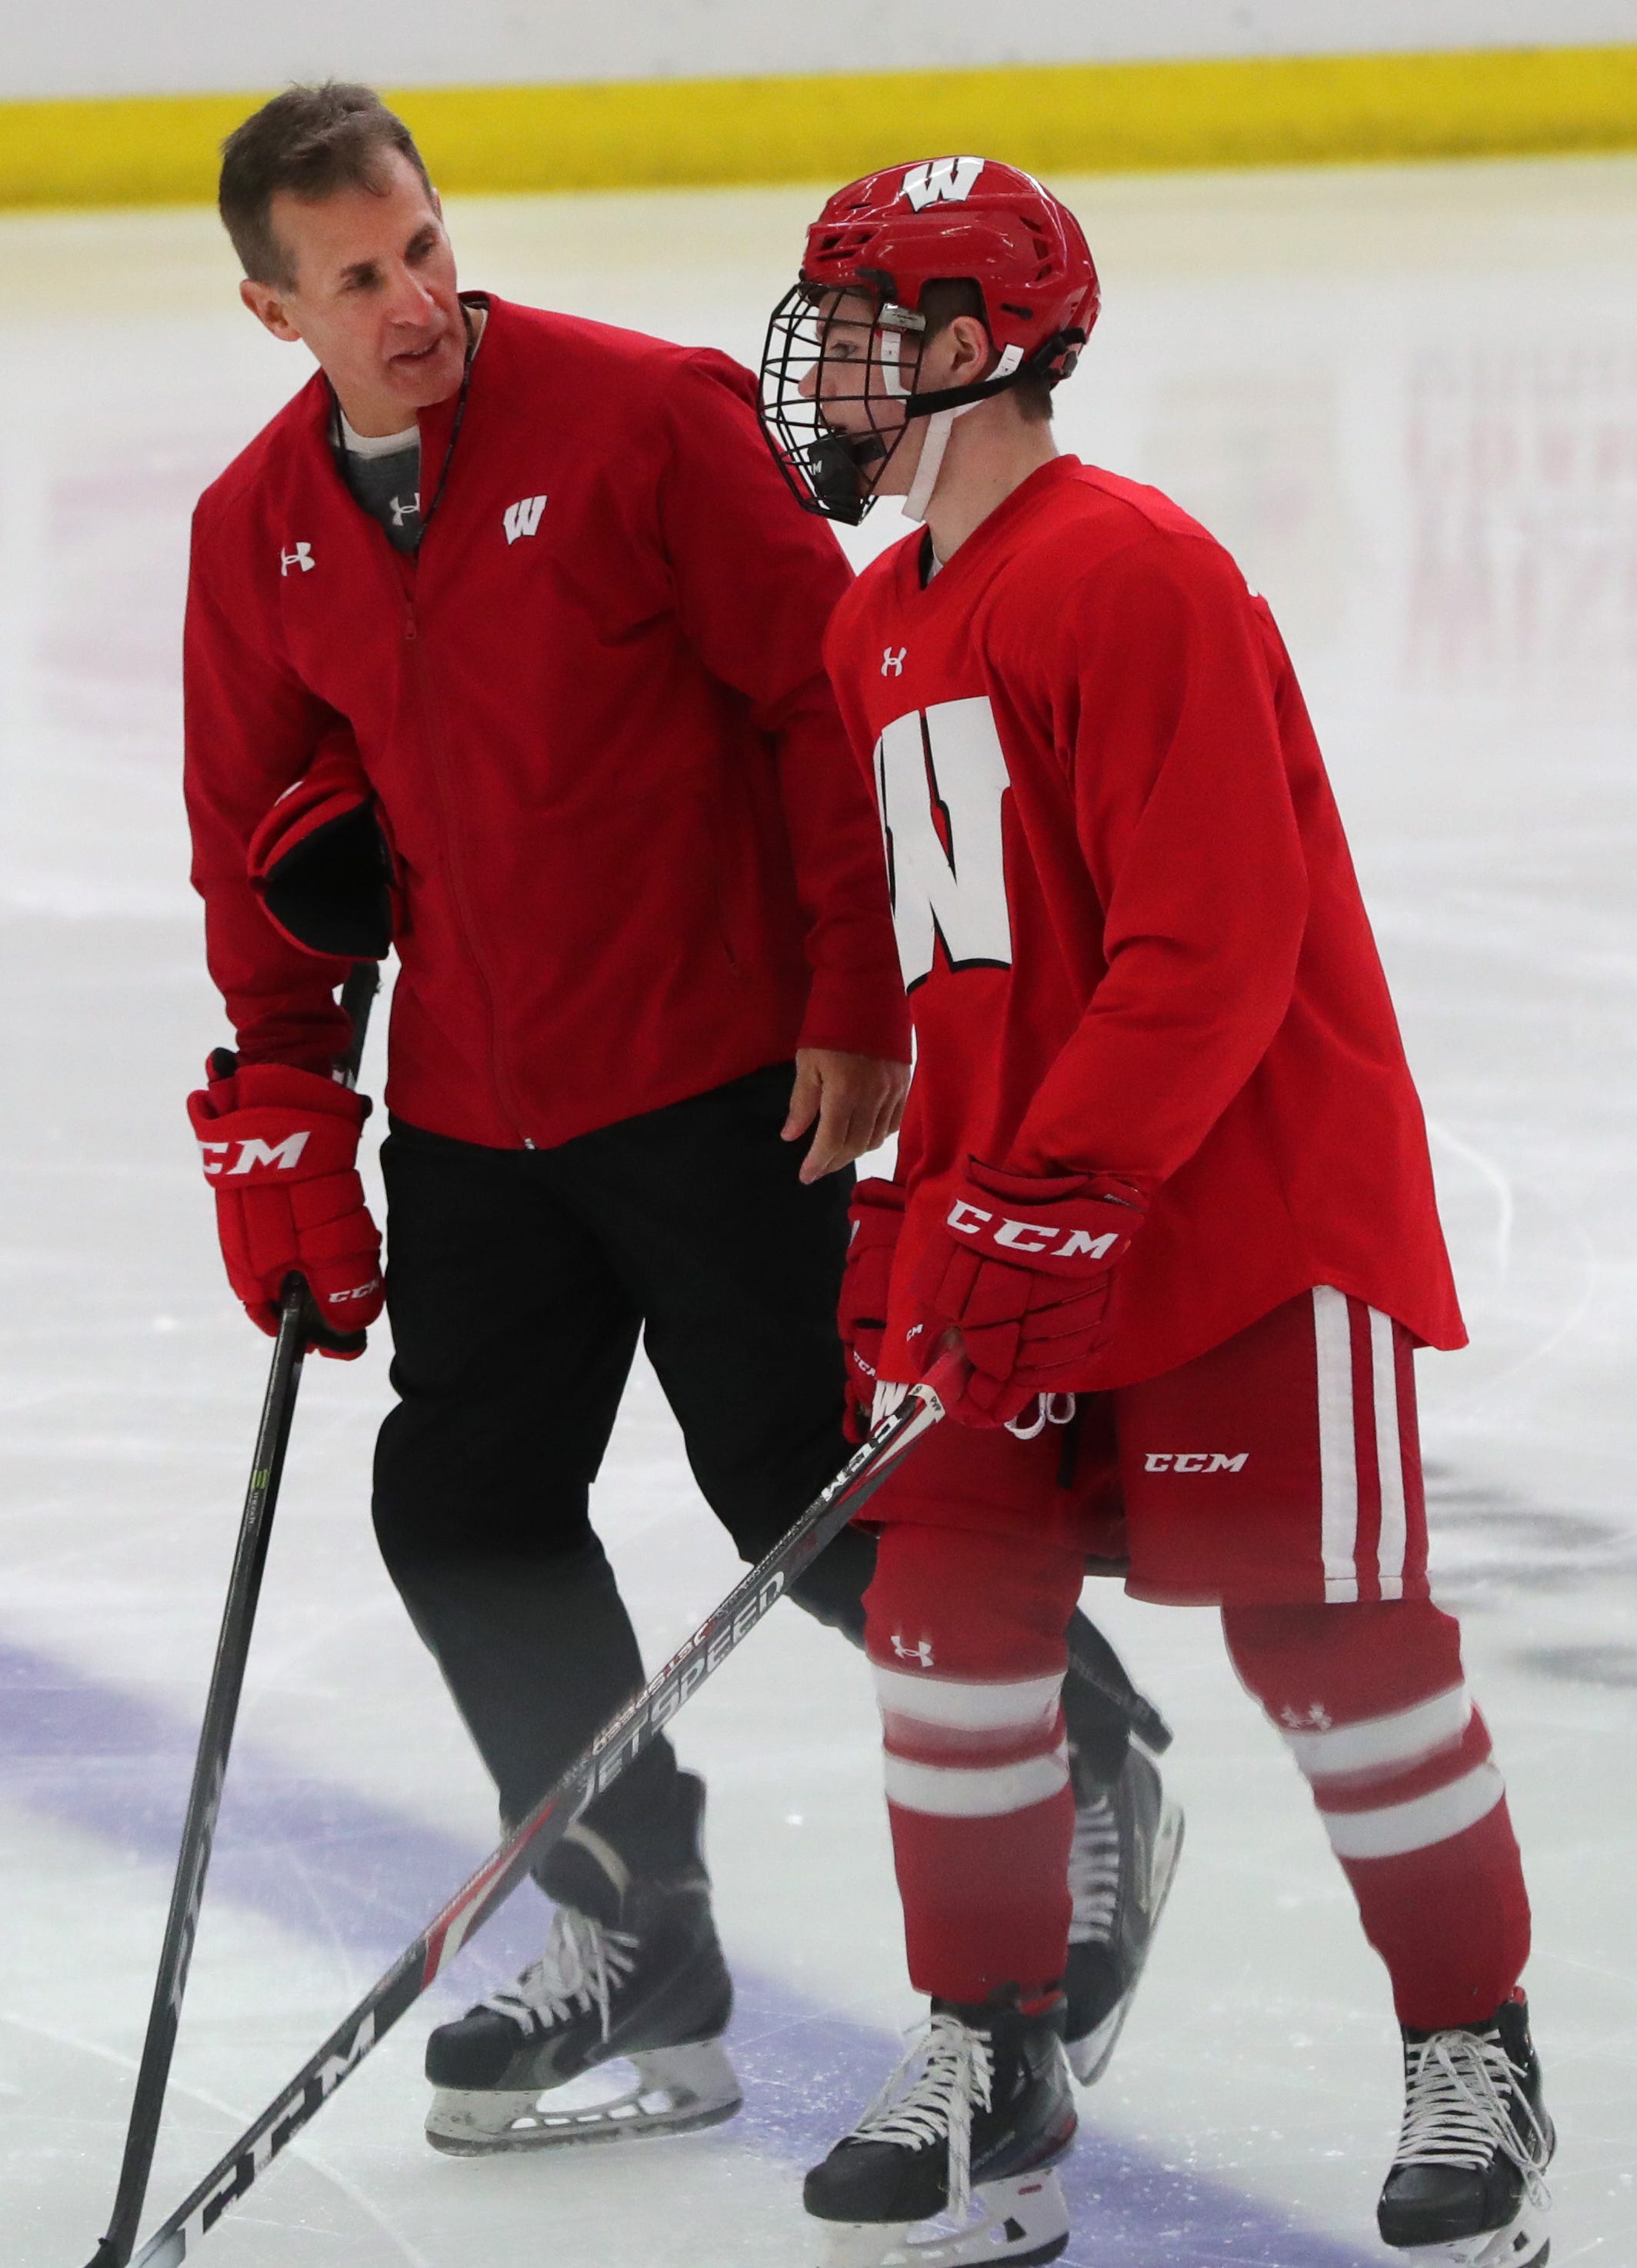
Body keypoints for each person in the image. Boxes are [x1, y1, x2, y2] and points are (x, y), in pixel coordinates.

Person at [182, 87, 1174, 2160]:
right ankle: (637, 1925)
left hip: (734, 1077)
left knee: (804, 1495)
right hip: (474, 1108)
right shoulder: (251, 535)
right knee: (461, 1508)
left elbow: (832, 708)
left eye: (427, 245)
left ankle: (1089, 1763)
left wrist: (856, 996)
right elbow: (251, 843)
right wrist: (285, 1103)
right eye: (359, 277)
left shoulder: (641, 420)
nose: (416, 298)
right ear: (275, 308)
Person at [758, 158, 1552, 2268]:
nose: (821, 365)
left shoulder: (1131, 575)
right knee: (945, 1626)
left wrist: (1063, 1188)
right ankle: (992, 2056)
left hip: (1235, 1208)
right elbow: (953, 961)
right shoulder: (876, 616)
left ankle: (1475, 2052)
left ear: (969, 346)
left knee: (1335, 1644)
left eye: (858, 324)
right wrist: (934, 1202)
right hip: (1020, 1208)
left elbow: (1212, 944)